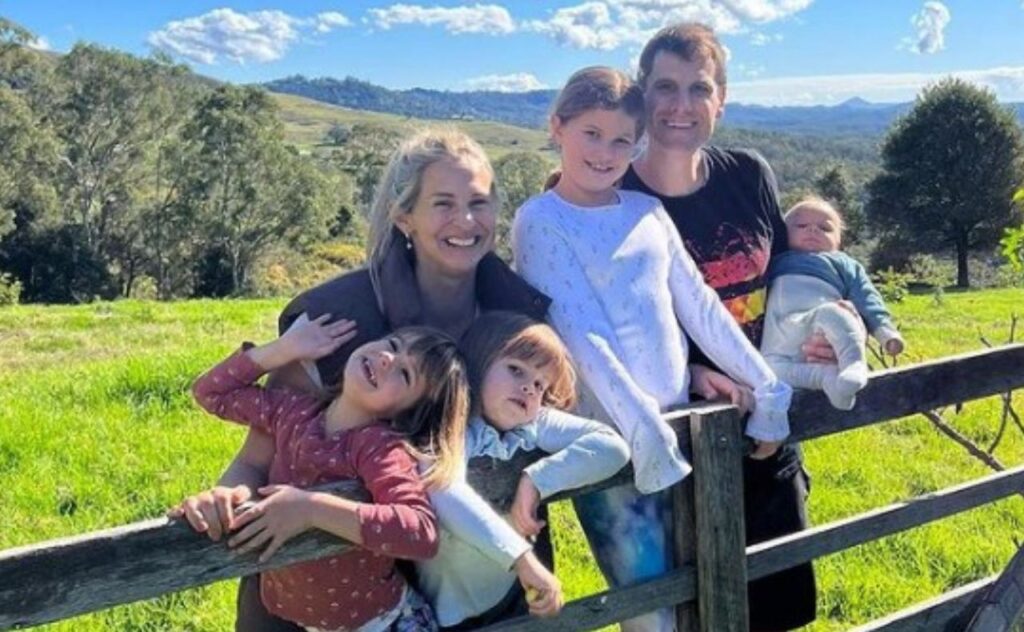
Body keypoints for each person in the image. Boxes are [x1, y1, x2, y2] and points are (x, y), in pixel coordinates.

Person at [180, 127, 552, 632]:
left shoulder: (519, 320)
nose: (466, 221)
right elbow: (256, 458)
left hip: (489, 588)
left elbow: (551, 428)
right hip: (325, 603)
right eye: (443, 203)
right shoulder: (337, 321)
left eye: (479, 203)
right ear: (404, 217)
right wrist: (225, 497)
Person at [512, 65, 792, 632]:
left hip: (684, 430)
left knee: (712, 595)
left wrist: (767, 388)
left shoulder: (647, 213)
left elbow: (701, 308)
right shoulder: (541, 220)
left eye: (622, 139)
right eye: (591, 133)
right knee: (652, 617)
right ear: (557, 127)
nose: (606, 151)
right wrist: (646, 432)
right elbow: (581, 334)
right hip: (618, 440)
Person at [619, 22, 821, 630]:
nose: (681, 106)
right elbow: (591, 322)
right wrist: (697, 370)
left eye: (699, 89)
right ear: (641, 95)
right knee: (692, 615)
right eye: (665, 87)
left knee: (781, 606)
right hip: (673, 446)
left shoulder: (748, 176)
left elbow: (785, 274)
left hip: (764, 430)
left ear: (721, 100)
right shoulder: (608, 191)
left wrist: (830, 321)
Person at [176, 318, 471, 631]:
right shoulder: (292, 412)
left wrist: (312, 509)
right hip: (293, 615)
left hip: (380, 623)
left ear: (408, 413)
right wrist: (284, 349)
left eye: (405, 374)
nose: (388, 359)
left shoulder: (378, 447)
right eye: (393, 345)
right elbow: (210, 393)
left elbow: (420, 533)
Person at [418, 311, 631, 629]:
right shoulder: (448, 425)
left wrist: (536, 479)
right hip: (446, 612)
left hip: (510, 596)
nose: (529, 389)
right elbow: (444, 489)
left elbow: (612, 447)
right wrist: (522, 559)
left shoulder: (533, 422)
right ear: (477, 364)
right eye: (515, 370)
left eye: (540, 384)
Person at [762, 197, 904, 410]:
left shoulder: (842, 263)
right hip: (778, 336)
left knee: (836, 314)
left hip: (819, 326)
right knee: (768, 371)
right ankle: (828, 380)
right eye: (801, 225)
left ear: (839, 240)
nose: (812, 231)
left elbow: (867, 298)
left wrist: (886, 333)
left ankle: (853, 364)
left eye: (824, 228)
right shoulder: (771, 259)